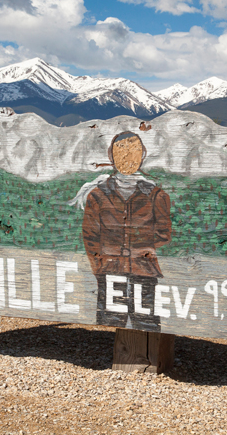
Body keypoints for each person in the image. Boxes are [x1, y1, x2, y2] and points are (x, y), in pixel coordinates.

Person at [70, 132, 171, 331]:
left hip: (144, 270)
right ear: (111, 156)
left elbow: (164, 233)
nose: (128, 157)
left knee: (146, 324)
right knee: (109, 322)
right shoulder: (98, 195)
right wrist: (100, 265)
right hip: (110, 271)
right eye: (121, 151)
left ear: (143, 155)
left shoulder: (156, 195)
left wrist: (139, 250)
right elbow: (90, 236)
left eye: (134, 151)